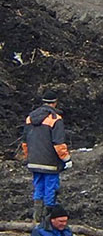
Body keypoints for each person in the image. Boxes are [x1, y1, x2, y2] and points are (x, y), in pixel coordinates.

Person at [20, 89, 72, 223]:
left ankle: (37, 217)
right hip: (50, 162)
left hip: (33, 161)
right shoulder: (55, 119)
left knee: (38, 187)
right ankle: (48, 217)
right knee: (51, 188)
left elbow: (25, 142)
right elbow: (58, 144)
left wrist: (28, 157)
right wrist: (66, 159)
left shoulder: (30, 117)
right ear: (55, 103)